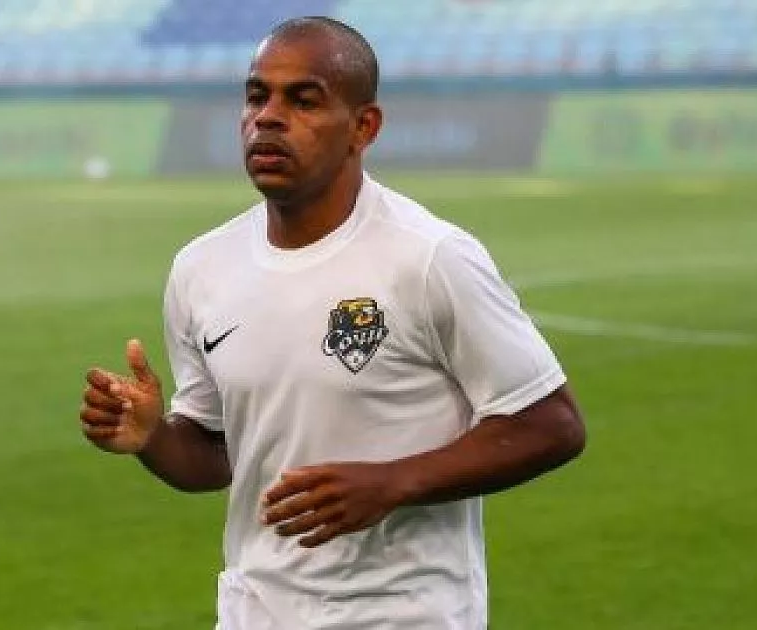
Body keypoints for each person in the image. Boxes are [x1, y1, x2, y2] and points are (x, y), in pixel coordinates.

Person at [79, 16, 586, 630]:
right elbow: (215, 454)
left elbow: (551, 423)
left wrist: (394, 482)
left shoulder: (429, 257)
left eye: (303, 100)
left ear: (363, 127)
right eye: (257, 95)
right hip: (256, 613)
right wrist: (154, 437)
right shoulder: (202, 268)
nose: (268, 117)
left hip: (404, 616)